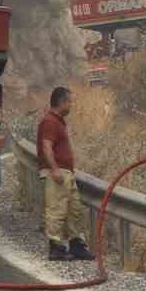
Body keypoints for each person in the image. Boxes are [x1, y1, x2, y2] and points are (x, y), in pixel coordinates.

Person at [37, 86, 94, 261]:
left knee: (74, 210)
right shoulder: (50, 121)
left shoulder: (58, 121)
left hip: (66, 173)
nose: (71, 105)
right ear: (62, 102)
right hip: (58, 173)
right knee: (56, 210)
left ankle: (76, 245)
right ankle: (56, 248)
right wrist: (54, 169)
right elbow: (47, 146)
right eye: (70, 101)